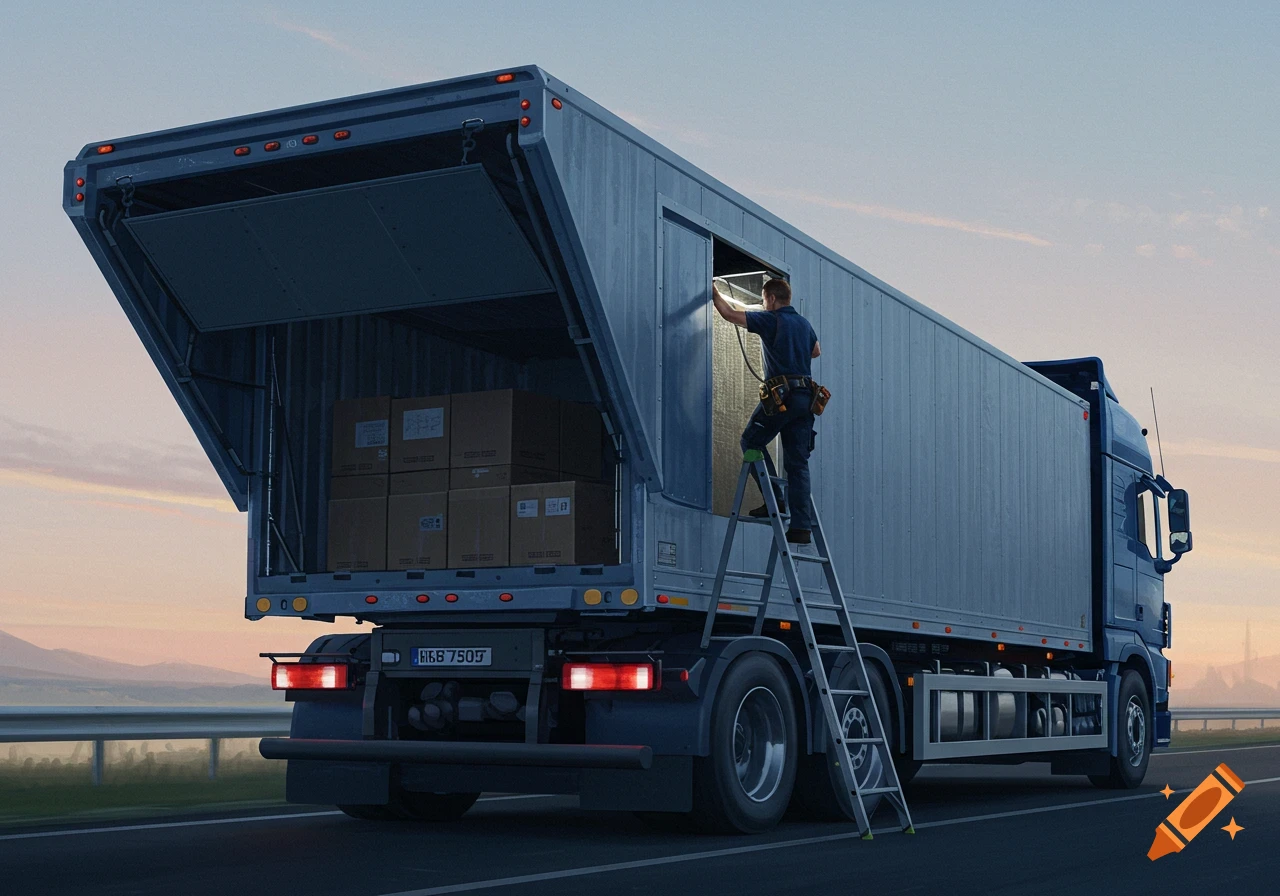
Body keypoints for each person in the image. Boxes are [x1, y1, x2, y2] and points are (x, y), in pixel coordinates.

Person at [711, 277, 821, 544]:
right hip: (806, 398)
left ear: (770, 298)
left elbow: (727, 314)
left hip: (782, 396)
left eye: (763, 299)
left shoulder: (771, 320)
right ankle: (801, 527)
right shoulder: (804, 324)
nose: (763, 303)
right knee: (798, 464)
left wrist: (711, 289)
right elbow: (816, 352)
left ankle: (775, 499)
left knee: (751, 440)